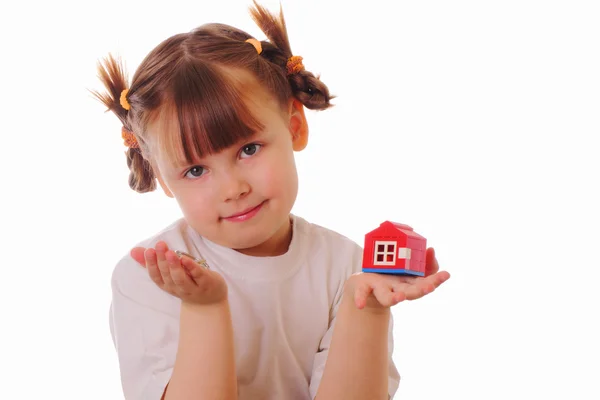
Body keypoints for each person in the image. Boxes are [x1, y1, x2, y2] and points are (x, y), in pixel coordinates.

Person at [92, 1, 450, 399]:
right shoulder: (151, 276)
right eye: (195, 171)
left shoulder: (343, 267)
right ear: (163, 178)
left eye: (248, 150)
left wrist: (364, 306)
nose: (233, 189)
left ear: (294, 127)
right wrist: (204, 307)